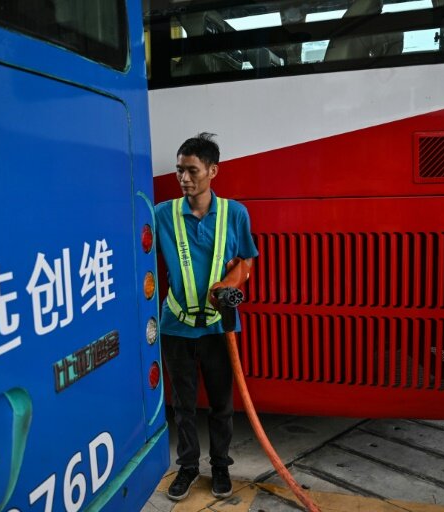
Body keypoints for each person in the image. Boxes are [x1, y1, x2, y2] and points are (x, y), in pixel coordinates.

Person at [155, 133, 259, 501]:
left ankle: (219, 466)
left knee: (221, 405)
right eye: (180, 170)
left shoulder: (235, 214)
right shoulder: (162, 215)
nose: (184, 178)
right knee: (182, 405)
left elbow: (247, 261)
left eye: (192, 170)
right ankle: (186, 467)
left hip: (220, 327)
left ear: (212, 171)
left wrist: (230, 283)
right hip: (176, 326)